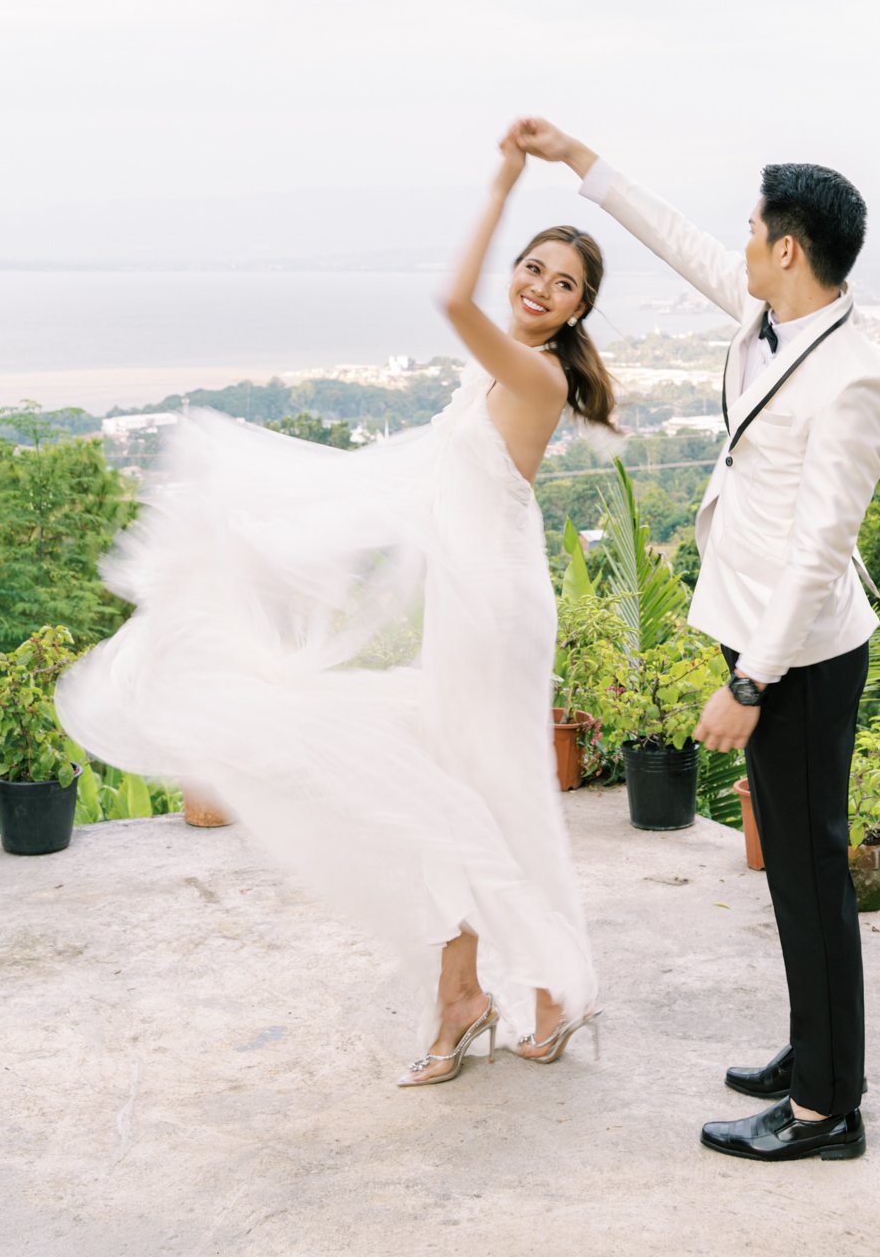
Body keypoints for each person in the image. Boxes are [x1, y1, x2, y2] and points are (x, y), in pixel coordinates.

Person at [57, 136, 606, 1085]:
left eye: (558, 283)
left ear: (577, 310)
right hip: (469, 600)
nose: (536, 287)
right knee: (463, 788)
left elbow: (446, 303)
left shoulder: (536, 376)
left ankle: (529, 990)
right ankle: (476, 994)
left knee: (488, 791)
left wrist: (502, 186)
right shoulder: (497, 370)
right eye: (531, 266)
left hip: (498, 613)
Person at [511, 117, 880, 1163]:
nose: (738, 242)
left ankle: (827, 1109)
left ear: (789, 248)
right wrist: (582, 161)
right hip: (763, 634)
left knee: (810, 869)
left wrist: (751, 681)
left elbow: (821, 550)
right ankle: (816, 1048)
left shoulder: (852, 378)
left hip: (801, 653)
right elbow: (680, 238)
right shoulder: (769, 313)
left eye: (753, 229)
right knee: (789, 874)